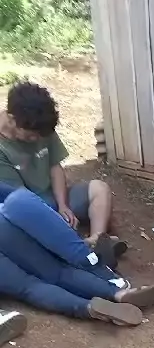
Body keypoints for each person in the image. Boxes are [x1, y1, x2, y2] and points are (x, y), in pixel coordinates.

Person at [0, 81, 126, 269]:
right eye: (31, 136)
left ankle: (96, 240)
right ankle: (81, 250)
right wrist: (52, 218)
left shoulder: (40, 124)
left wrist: (63, 205)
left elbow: (55, 166)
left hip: (53, 196)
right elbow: (20, 199)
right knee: (30, 232)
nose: (37, 139)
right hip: (28, 208)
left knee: (100, 189)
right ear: (11, 120)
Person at [0, 186, 154, 326]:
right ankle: (117, 289)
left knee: (30, 286)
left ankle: (87, 308)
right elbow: (13, 194)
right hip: (14, 211)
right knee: (68, 260)